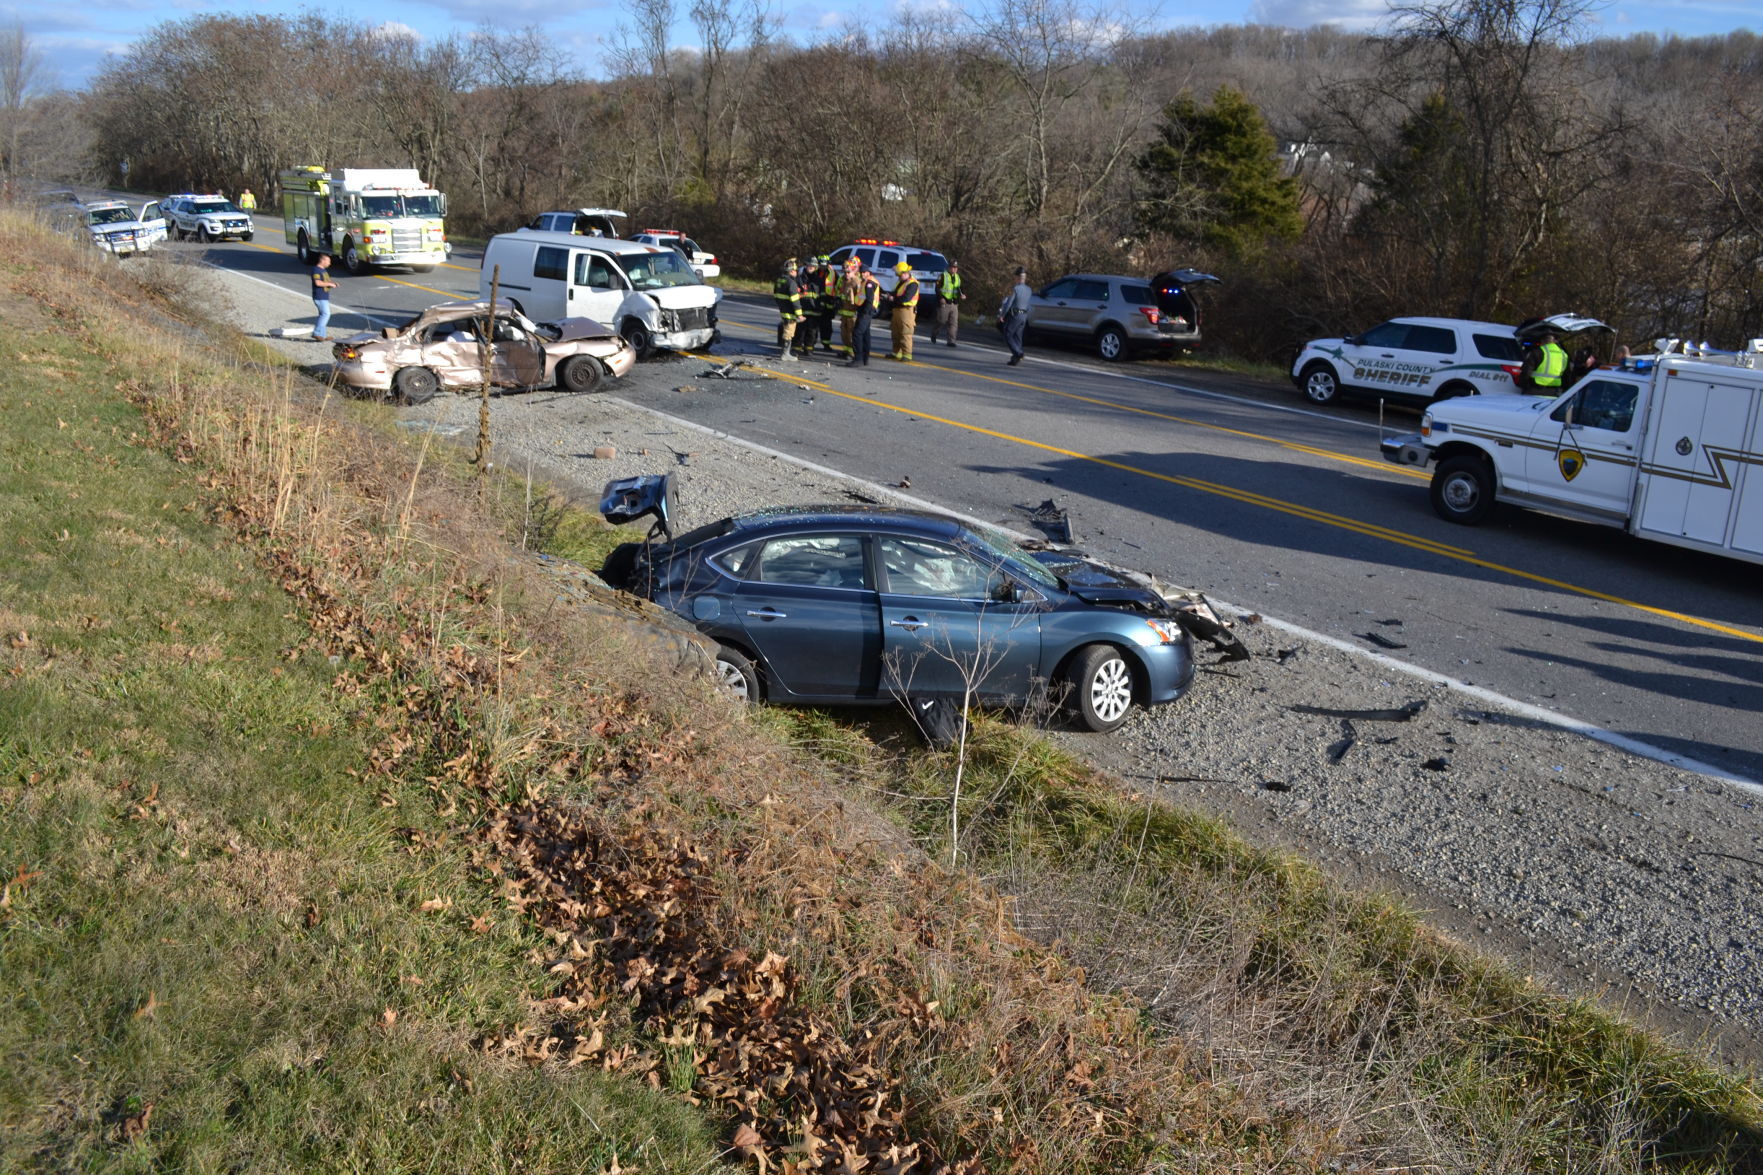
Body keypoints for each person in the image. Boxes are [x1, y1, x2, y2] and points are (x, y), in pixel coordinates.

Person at [845, 266, 882, 367]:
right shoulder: (867, 281)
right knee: (865, 334)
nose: (862, 274)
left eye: (864, 272)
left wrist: (865, 311)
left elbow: (869, 299)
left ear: (869, 272)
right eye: (861, 272)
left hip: (866, 312)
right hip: (865, 311)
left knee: (857, 333)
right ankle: (865, 359)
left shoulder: (869, 283)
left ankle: (858, 359)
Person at [1516, 326, 1568, 395]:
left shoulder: (1538, 352)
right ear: (1555, 341)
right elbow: (1567, 374)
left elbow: (1526, 371)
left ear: (1542, 340)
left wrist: (1523, 385)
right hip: (1554, 391)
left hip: (1535, 389)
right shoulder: (1564, 354)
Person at [998, 266, 1031, 365]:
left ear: (1017, 277)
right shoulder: (1029, 290)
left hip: (1015, 315)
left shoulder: (1016, 289)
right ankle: (1015, 359)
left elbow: (1009, 303)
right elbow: (1028, 304)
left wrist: (1002, 315)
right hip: (1024, 316)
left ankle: (1018, 353)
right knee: (1018, 337)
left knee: (1008, 334)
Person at [773, 258, 805, 361]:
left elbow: (776, 295)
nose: (797, 272)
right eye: (796, 270)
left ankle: (786, 353)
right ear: (791, 271)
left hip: (783, 310)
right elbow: (795, 301)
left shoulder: (779, 280)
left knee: (786, 330)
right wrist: (799, 315)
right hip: (790, 313)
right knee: (789, 332)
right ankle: (785, 354)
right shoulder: (791, 283)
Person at [889, 261, 920, 360]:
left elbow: (906, 298)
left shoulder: (913, 284)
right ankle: (896, 352)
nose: (898, 276)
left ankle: (907, 354)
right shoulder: (901, 282)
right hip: (897, 310)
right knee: (895, 332)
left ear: (905, 273)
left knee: (905, 333)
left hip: (907, 311)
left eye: (899, 274)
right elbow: (895, 293)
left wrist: (893, 299)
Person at [930, 260, 963, 347]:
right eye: (952, 267)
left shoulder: (957, 277)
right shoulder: (943, 276)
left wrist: (962, 295)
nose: (954, 269)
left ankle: (951, 341)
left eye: (955, 268)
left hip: (954, 303)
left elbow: (959, 289)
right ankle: (934, 333)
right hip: (945, 302)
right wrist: (941, 298)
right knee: (941, 320)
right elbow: (937, 288)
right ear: (949, 267)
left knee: (953, 323)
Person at [837, 257, 864, 359]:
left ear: (854, 270)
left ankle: (853, 353)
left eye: (849, 272)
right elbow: (839, 291)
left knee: (851, 334)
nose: (846, 274)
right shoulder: (842, 279)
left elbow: (860, 298)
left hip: (853, 314)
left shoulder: (857, 281)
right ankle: (846, 351)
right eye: (845, 272)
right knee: (844, 334)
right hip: (844, 312)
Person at [309, 253, 337, 341]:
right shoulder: (316, 270)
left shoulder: (323, 271)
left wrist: (332, 284)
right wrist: (329, 284)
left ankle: (323, 335)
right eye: (328, 261)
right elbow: (318, 283)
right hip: (319, 296)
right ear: (323, 260)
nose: (330, 263)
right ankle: (317, 333)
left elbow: (325, 281)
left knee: (323, 315)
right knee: (325, 314)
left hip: (324, 296)